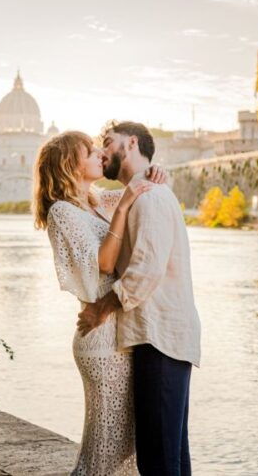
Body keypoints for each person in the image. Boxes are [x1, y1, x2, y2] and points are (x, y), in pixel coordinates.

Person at [33, 130, 167, 476]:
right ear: (69, 164)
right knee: (105, 449)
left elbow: (138, 189)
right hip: (100, 337)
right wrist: (123, 205)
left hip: (118, 334)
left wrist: (158, 173)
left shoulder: (95, 202)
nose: (98, 154)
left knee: (121, 444)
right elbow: (104, 264)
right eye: (88, 151)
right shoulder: (63, 212)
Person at [77, 121, 201, 476]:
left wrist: (101, 309)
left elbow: (146, 270)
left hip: (159, 338)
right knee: (170, 458)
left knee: (159, 461)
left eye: (108, 143)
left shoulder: (150, 196)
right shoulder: (143, 192)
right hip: (162, 337)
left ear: (131, 143)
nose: (103, 152)